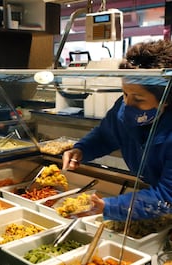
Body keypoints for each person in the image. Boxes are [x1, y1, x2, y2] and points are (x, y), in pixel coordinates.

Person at [62, 39, 172, 222]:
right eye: (125, 94)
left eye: (138, 98)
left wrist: (110, 207)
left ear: (166, 99)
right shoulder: (124, 108)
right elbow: (106, 135)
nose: (128, 103)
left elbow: (167, 196)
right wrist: (81, 149)